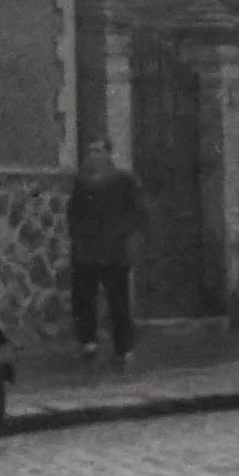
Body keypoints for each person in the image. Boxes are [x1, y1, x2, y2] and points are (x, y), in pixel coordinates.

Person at [68, 138, 145, 366]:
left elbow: (138, 211)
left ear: (109, 154)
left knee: (118, 300)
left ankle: (124, 347)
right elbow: (73, 212)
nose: (94, 155)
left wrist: (122, 233)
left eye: (99, 151)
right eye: (91, 151)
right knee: (84, 298)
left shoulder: (125, 180)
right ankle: (88, 342)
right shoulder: (81, 183)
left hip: (114, 251)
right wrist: (77, 236)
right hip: (87, 249)